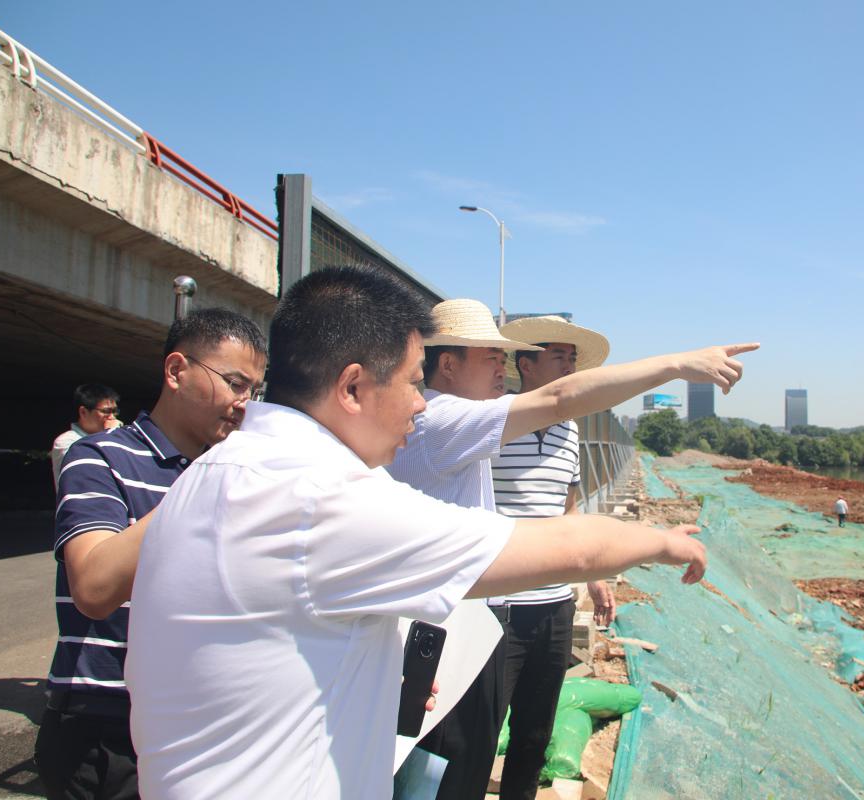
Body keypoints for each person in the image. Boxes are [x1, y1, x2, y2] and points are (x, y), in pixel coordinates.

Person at [124, 266, 710, 800]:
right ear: (352, 388)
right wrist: (663, 542)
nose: (421, 405)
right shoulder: (323, 499)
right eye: (410, 383)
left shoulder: (213, 471)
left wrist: (376, 673)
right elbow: (568, 546)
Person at [387, 297, 756, 800]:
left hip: (491, 614)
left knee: (497, 748)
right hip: (475, 617)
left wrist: (596, 575)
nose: (500, 366)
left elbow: (569, 510)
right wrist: (676, 364)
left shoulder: (471, 425)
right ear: (448, 364)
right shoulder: (447, 420)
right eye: (491, 356)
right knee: (450, 763)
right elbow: (561, 401)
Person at [35, 309, 267, 800]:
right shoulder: (99, 458)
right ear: (177, 371)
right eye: (234, 383)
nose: (244, 404)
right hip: (105, 727)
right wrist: (208, 482)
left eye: (254, 391)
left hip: (198, 724)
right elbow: (94, 586)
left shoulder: (235, 474)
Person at [491, 315, 613, 799]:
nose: (569, 367)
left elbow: (570, 511)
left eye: (572, 359)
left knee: (535, 733)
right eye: (559, 356)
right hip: (497, 607)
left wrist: (595, 575)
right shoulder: (493, 422)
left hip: (555, 608)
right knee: (479, 729)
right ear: (526, 364)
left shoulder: (570, 432)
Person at [50, 384, 120, 489]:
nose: (112, 417)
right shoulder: (66, 441)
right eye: (106, 411)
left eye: (114, 411)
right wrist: (109, 436)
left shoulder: (114, 437)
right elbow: (89, 470)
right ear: (83, 412)